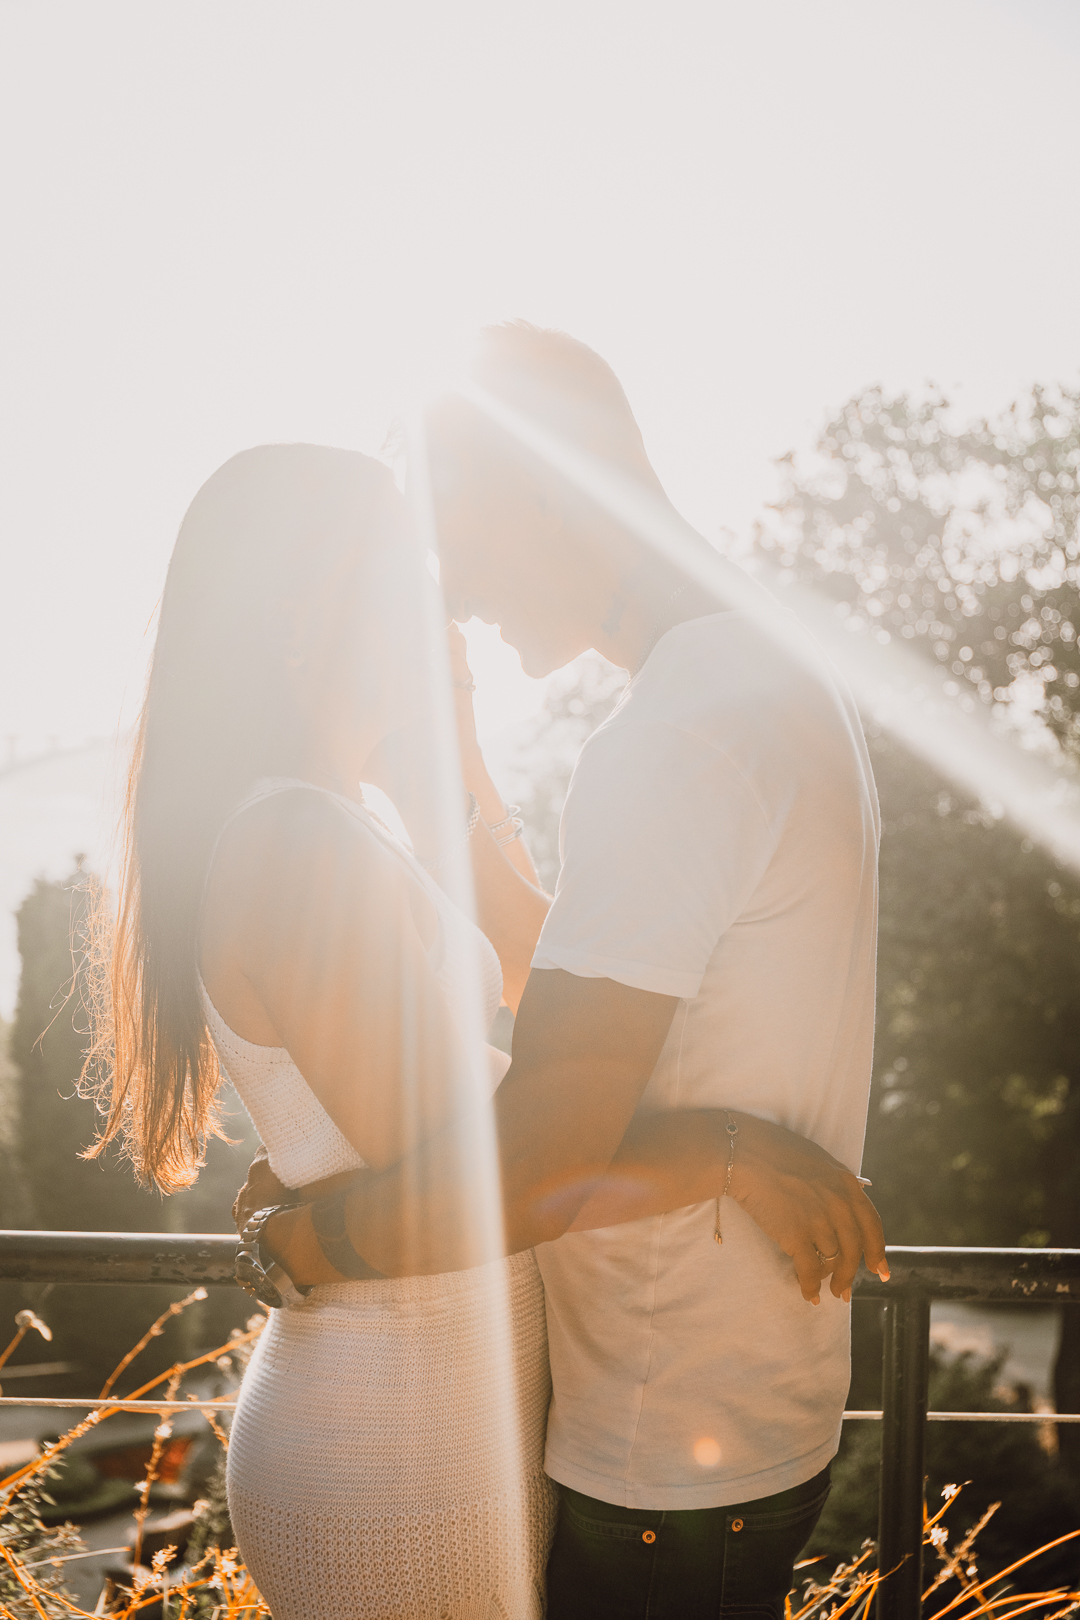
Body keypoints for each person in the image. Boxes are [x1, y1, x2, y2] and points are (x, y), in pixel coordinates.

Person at [87, 439, 881, 1620]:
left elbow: (551, 972)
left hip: (437, 1404)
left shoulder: (333, 825)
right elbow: (485, 1177)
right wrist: (720, 1151)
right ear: (311, 611)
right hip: (395, 1441)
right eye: (405, 568)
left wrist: (443, 754)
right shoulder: (301, 848)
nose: (445, 595)